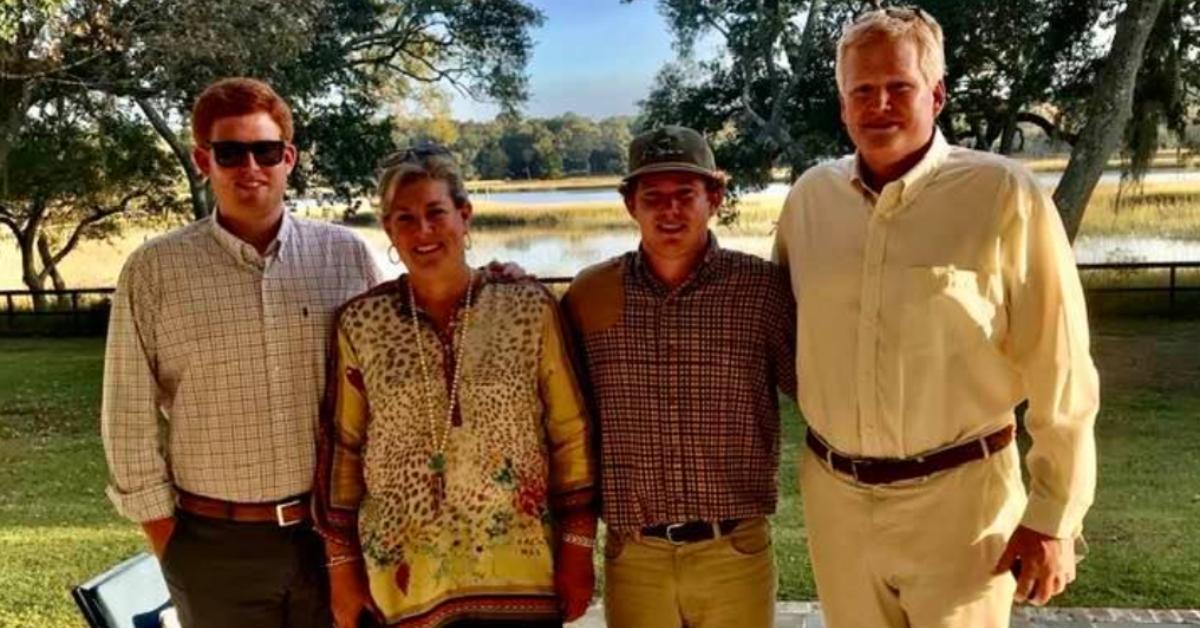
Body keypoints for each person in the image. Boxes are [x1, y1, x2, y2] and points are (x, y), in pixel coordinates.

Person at [773, 8, 1100, 627]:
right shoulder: (809, 201)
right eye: (861, 91)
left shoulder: (1004, 196)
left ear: (937, 93)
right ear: (842, 106)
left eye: (899, 86)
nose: (879, 105)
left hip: (961, 504)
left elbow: (1063, 369)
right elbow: (784, 326)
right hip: (836, 501)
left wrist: (1055, 516)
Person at [100, 77, 383, 627]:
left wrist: (487, 282)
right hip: (214, 548)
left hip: (337, 540)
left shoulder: (347, 258)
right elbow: (127, 418)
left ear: (289, 158)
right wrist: (170, 542)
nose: (249, 166)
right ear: (204, 160)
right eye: (229, 152)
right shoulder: (154, 272)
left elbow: (405, 354)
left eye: (265, 150)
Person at [313, 146, 597, 628]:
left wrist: (577, 548)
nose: (423, 231)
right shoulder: (361, 322)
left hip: (519, 570)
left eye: (436, 213)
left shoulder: (528, 309)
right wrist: (341, 568)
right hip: (405, 575)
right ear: (388, 230)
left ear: (464, 216)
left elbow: (571, 434)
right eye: (405, 218)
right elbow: (344, 450)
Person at [561, 126, 797, 628]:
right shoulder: (590, 295)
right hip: (635, 554)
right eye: (654, 198)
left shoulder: (761, 292)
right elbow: (560, 415)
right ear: (631, 205)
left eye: (685, 195)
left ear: (713, 197)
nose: (670, 211)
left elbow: (818, 393)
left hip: (733, 548)